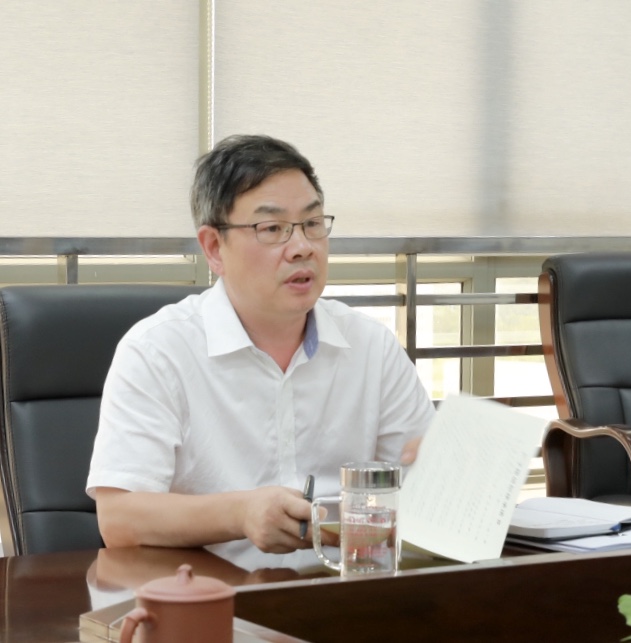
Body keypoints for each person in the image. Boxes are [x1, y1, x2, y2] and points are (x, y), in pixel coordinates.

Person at [86, 134, 435, 570]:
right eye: (272, 229)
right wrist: (241, 513)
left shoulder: (371, 346)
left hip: (346, 590)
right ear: (214, 248)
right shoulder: (157, 351)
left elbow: (425, 488)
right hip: (216, 596)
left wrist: (441, 467)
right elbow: (119, 519)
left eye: (312, 223)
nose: (302, 246)